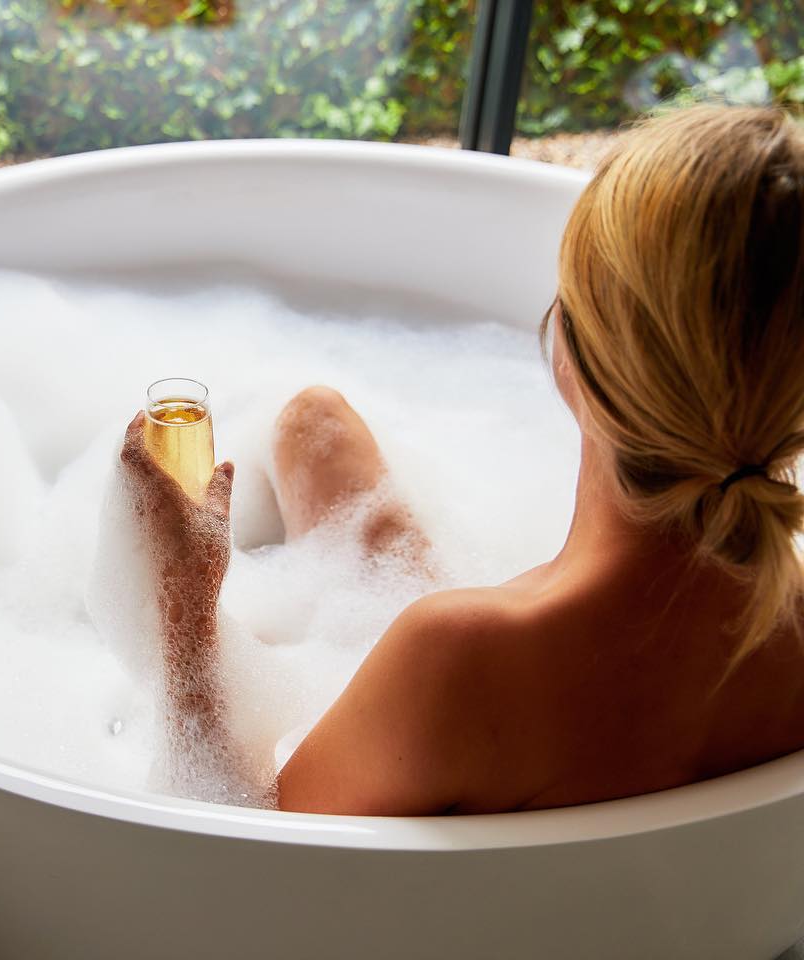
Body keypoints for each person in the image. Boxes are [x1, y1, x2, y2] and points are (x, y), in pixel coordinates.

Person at [119, 104, 804, 815]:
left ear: (584, 355)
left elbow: (251, 849)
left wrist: (186, 603)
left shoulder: (456, 663)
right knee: (311, 424)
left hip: (447, 765)